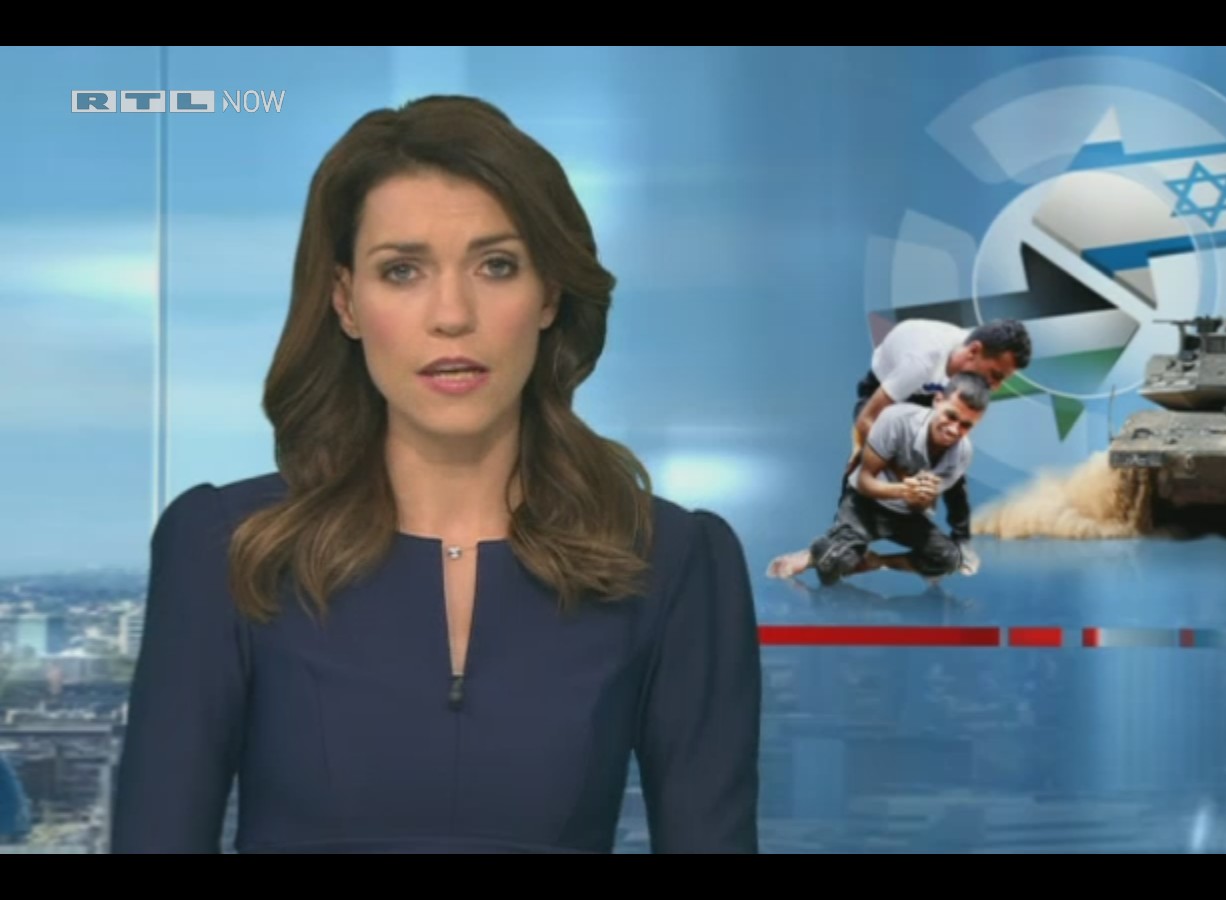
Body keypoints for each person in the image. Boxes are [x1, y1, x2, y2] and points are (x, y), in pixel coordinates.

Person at [110, 95, 761, 854]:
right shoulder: (226, 547)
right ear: (346, 302)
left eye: (496, 266)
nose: (452, 314)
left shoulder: (673, 560)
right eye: (403, 271)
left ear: (549, 294)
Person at [770, 372, 990, 585]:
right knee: (836, 562)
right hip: (865, 504)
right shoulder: (897, 419)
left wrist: (921, 498)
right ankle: (813, 555)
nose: (953, 430)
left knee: (949, 560)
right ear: (938, 400)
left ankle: (878, 561)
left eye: (965, 425)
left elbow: (920, 506)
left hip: (906, 516)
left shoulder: (963, 453)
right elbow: (864, 480)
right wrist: (904, 489)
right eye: (951, 416)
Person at [846, 318, 1030, 571]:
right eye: (995, 376)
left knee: (954, 454)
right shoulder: (921, 361)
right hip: (884, 391)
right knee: (865, 462)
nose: (995, 387)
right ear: (973, 351)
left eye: (1002, 380)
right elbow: (866, 420)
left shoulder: (972, 359)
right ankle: (847, 536)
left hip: (929, 394)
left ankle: (961, 539)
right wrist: (907, 478)